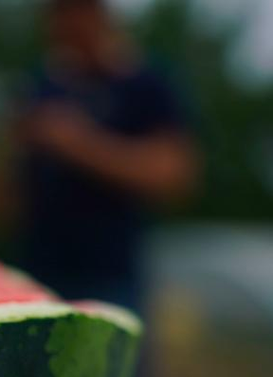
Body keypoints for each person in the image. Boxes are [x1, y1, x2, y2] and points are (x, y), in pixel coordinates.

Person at [15, 0, 198, 317]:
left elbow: (174, 174)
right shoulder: (41, 84)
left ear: (96, 13)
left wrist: (77, 143)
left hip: (109, 280)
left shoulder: (144, 84)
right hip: (37, 274)